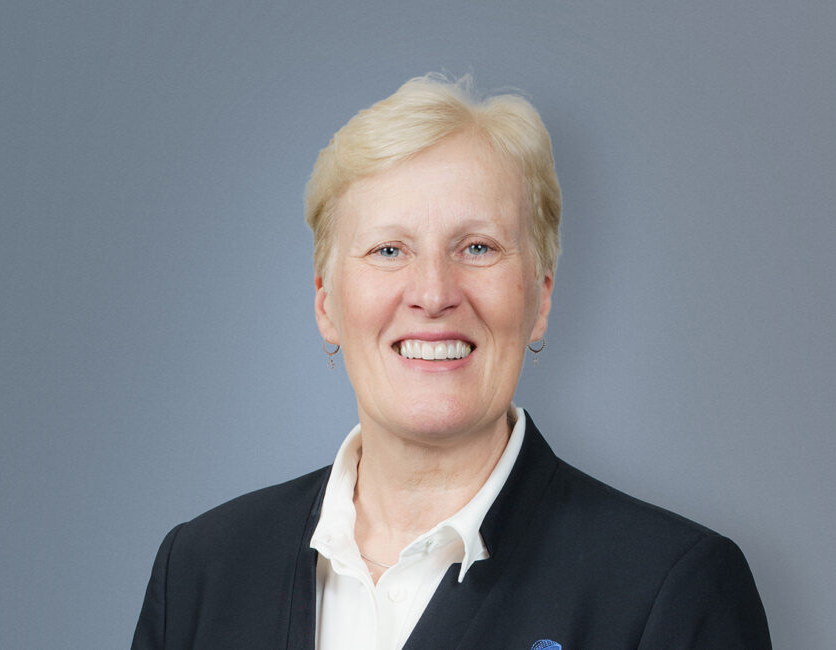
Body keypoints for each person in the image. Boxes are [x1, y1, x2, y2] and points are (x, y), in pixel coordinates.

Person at [131, 74, 771, 649]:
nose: (434, 293)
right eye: (388, 250)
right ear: (327, 304)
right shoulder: (201, 572)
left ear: (540, 299)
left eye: (478, 247)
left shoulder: (671, 590)